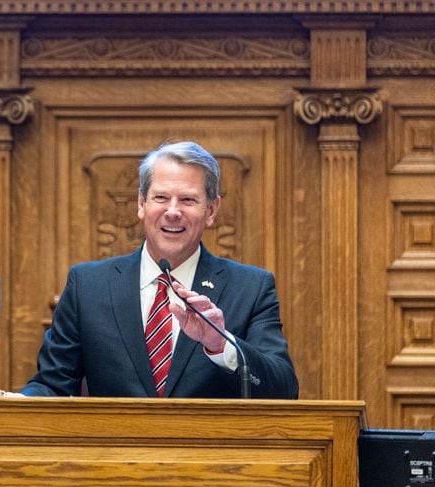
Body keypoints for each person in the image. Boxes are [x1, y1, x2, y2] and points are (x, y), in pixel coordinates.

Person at [20, 141, 298, 399]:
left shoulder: (251, 287)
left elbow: (284, 389)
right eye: (161, 197)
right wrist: (14, 405)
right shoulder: (87, 285)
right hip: (114, 449)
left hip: (209, 450)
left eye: (188, 200)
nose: (173, 211)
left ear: (212, 210)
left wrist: (221, 345)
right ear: (142, 203)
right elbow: (52, 385)